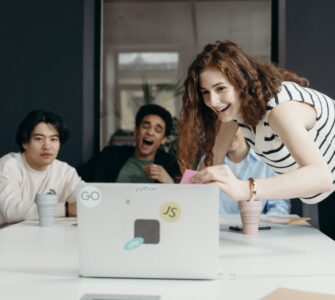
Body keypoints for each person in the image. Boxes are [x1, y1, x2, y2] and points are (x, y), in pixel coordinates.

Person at [178, 41, 335, 239]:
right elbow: (212, 162)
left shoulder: (280, 110)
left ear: (241, 83)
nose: (213, 102)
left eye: (220, 89)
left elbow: (321, 177)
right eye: (205, 93)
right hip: (328, 196)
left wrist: (245, 188)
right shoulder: (233, 115)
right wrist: (182, 202)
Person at [0, 110, 82, 227]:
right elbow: (11, 211)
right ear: (25, 143)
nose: (47, 146)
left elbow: (85, 198)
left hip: (44, 237)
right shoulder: (9, 166)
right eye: (38, 139)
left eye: (53, 139)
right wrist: (66, 208)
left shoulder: (65, 171)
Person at [79, 104, 180, 183]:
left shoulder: (171, 164)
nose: (150, 132)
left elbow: (183, 200)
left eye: (157, 130)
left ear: (163, 139)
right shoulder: (109, 155)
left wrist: (168, 181)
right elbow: (76, 178)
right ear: (135, 131)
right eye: (145, 126)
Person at [217, 128, 290, 215]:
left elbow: (280, 207)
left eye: (230, 129)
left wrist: (260, 225)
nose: (227, 135)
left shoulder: (268, 161)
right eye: (219, 130)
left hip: (259, 227)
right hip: (217, 228)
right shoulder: (208, 164)